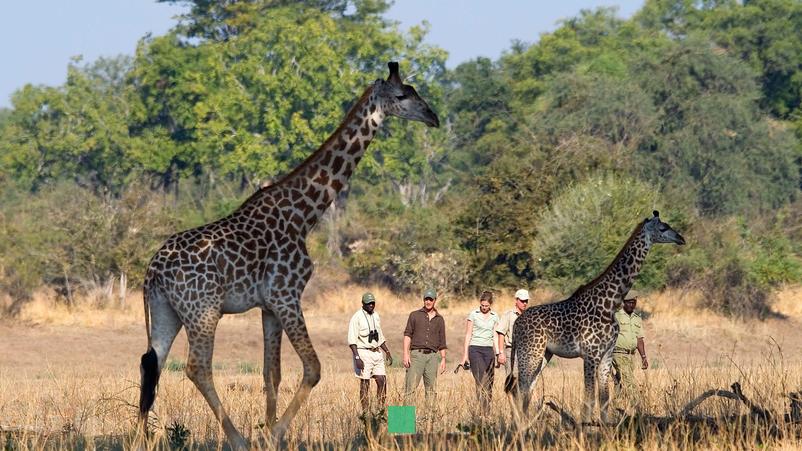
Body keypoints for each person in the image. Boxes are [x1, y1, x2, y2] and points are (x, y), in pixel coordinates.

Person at [348, 292, 393, 418]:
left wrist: (387, 351)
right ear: (363, 304)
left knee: (382, 380)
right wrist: (357, 357)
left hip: (376, 352)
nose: (371, 305)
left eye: (373, 303)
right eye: (368, 303)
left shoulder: (376, 316)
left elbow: (379, 336)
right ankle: (366, 412)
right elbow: (352, 340)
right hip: (363, 352)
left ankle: (380, 411)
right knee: (365, 382)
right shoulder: (356, 317)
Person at [402, 288, 447, 414]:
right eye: (426, 299)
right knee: (409, 389)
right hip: (416, 355)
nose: (428, 302)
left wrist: (443, 359)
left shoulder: (440, 319)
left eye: (430, 299)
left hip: (433, 357)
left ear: (434, 301)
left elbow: (442, 341)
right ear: (423, 300)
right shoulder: (414, 315)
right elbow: (407, 335)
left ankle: (430, 425)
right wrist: (406, 354)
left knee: (432, 390)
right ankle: (403, 426)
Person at [460, 290, 499, 410]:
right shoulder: (473, 314)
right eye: (482, 305)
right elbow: (468, 334)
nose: (484, 308)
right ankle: (481, 409)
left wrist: (498, 353)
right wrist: (465, 355)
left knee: (490, 381)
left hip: (488, 350)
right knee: (481, 379)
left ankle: (487, 409)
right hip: (475, 349)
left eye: (486, 306)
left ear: (490, 304)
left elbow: (495, 336)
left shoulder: (495, 316)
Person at [612, 297, 648, 405]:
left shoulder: (637, 318)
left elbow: (639, 339)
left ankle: (617, 406)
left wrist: (644, 357)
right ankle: (638, 406)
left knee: (619, 381)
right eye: (629, 302)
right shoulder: (616, 316)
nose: (631, 305)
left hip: (631, 355)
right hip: (618, 353)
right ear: (624, 302)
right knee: (628, 379)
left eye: (634, 303)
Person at [495, 288, 529, 376]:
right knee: (511, 378)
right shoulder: (508, 314)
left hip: (525, 351)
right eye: (522, 301)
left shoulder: (529, 316)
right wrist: (501, 353)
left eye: (526, 301)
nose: (525, 303)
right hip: (511, 350)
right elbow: (501, 334)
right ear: (517, 300)